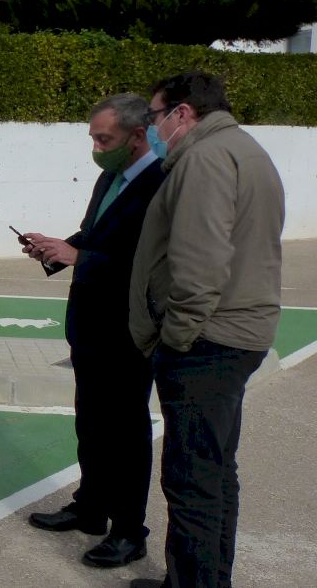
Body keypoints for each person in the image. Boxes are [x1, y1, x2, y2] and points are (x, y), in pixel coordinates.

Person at [127, 72, 285, 588]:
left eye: (155, 116)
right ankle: (206, 580)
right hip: (236, 332)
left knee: (192, 477)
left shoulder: (204, 159)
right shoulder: (245, 150)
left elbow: (200, 263)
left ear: (182, 113)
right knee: (214, 471)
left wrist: (177, 336)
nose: (153, 127)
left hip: (207, 340)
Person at [21, 93, 167, 568]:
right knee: (91, 422)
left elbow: (148, 264)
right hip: (89, 326)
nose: (96, 148)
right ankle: (90, 508)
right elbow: (95, 234)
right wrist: (56, 248)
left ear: (137, 135)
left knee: (125, 431)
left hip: (128, 329)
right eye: (93, 138)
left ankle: (129, 530)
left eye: (104, 139)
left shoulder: (162, 183)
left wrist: (80, 257)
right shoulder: (112, 177)